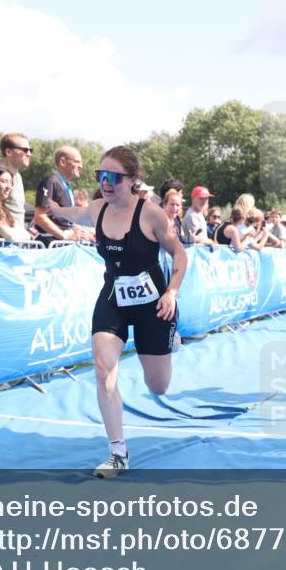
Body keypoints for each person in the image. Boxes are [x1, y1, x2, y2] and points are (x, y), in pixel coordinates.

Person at [46, 146, 187, 477]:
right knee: (103, 368)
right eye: (101, 176)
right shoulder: (98, 209)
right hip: (114, 300)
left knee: (159, 386)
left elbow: (180, 256)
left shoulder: (152, 214)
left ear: (133, 180)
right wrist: (54, 208)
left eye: (114, 177)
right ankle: (118, 453)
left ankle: (170, 338)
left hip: (154, 307)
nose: (106, 183)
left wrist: (172, 293)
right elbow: (76, 213)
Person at [33, 146, 95, 245]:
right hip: (51, 245)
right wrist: (66, 236)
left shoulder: (66, 185)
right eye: (77, 161)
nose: (81, 166)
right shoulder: (51, 181)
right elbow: (40, 217)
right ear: (63, 162)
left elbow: (65, 222)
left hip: (61, 245)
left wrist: (84, 233)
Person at [0, 132, 32, 228]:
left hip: (17, 240)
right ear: (8, 152)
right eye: (25, 150)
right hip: (1, 241)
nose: (29, 154)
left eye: (30, 150)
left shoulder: (18, 176)